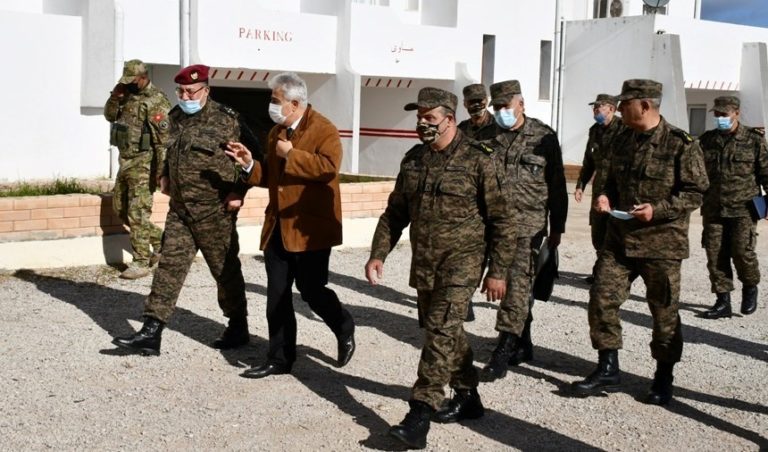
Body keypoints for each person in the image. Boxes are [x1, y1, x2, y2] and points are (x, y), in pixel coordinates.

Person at [364, 87, 515, 450]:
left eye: (429, 117)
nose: (422, 124)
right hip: (426, 264)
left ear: (449, 119)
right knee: (447, 332)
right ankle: (468, 395)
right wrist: (378, 253)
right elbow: (395, 213)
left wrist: (498, 271)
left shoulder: (480, 159)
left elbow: (502, 220)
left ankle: (419, 413)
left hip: (462, 264)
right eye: (419, 117)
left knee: (439, 332)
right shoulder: (414, 160)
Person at [571, 79, 709, 405]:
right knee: (601, 298)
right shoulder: (622, 140)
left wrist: (657, 210)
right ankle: (608, 366)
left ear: (644, 105)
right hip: (619, 239)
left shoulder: (681, 144)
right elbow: (609, 180)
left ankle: (663, 376)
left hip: (661, 244)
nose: (619, 109)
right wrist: (604, 197)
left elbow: (696, 192)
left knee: (664, 312)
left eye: (625, 104)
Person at [112, 64, 259, 355]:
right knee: (168, 269)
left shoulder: (228, 120)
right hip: (180, 211)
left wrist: (239, 191)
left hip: (214, 212)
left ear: (206, 90)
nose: (185, 96)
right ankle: (151, 332)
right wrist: (165, 175)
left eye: (191, 91)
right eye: (180, 91)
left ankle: (238, 326)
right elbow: (169, 151)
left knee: (225, 272)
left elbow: (254, 161)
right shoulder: (175, 117)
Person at [225, 72, 355, 379]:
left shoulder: (323, 129)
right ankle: (280, 358)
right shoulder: (276, 132)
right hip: (278, 227)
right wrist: (249, 164)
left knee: (311, 291)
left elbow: (328, 169)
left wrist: (292, 155)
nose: (271, 106)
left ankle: (343, 324)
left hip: (310, 229)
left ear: (294, 104)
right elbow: (272, 176)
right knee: (278, 296)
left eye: (276, 100)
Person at [480, 80, 568, 382]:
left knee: (516, 284)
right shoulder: (487, 136)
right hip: (490, 225)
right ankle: (523, 342)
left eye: (506, 106)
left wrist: (557, 227)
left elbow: (557, 185)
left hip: (527, 226)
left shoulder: (544, 137)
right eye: (497, 107)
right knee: (513, 285)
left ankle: (503, 350)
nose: (501, 111)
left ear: (521, 104)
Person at [697, 96, 768, 319]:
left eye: (724, 114)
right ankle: (723, 301)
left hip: (743, 208)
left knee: (742, 252)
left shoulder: (754, 140)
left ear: (736, 113)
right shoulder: (707, 140)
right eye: (717, 114)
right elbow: (696, 172)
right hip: (713, 208)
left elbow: (766, 173)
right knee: (715, 255)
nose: (720, 118)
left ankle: (750, 288)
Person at [104, 59, 171, 279]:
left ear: (143, 77)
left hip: (144, 164)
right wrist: (115, 97)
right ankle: (161, 240)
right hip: (125, 163)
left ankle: (141, 261)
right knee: (120, 209)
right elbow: (110, 116)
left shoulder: (156, 101)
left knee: (137, 213)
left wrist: (161, 173)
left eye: (132, 81)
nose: (129, 84)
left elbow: (163, 142)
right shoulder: (126, 95)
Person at [574, 94, 627, 284]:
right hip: (599, 192)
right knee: (598, 234)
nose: (595, 110)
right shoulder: (594, 131)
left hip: (618, 193)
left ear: (612, 109)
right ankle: (601, 269)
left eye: (599, 107)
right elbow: (589, 162)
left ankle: (610, 275)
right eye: (594, 107)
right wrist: (580, 185)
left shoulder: (624, 129)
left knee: (616, 233)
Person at [456, 83, 496, 322]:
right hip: (470, 202)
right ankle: (465, 297)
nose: (477, 105)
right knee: (470, 254)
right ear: (465, 104)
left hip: (495, 199)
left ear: (487, 101)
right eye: (472, 101)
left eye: (480, 100)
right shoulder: (461, 130)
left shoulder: (500, 128)